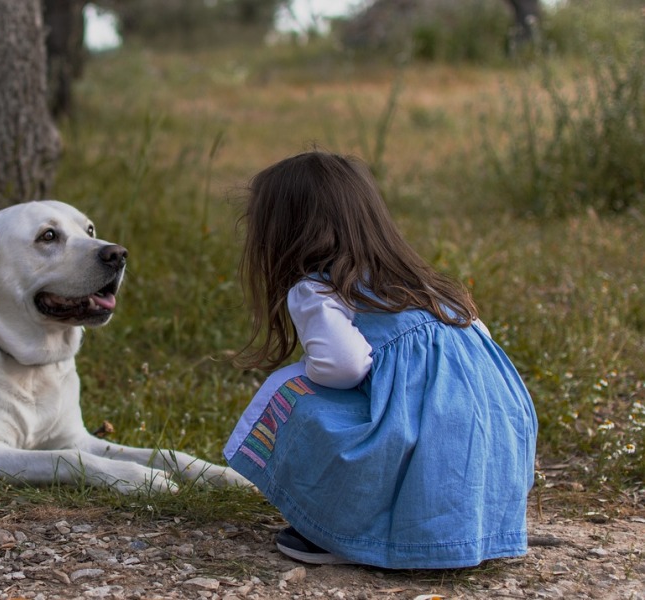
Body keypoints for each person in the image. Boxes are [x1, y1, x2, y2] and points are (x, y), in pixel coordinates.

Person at [223, 150, 537, 569]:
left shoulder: (318, 289)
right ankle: (462, 528)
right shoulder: (424, 285)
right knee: (422, 416)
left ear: (284, 234)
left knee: (292, 392)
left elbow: (345, 366)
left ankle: (343, 531)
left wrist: (310, 374)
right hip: (493, 447)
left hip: (426, 446)